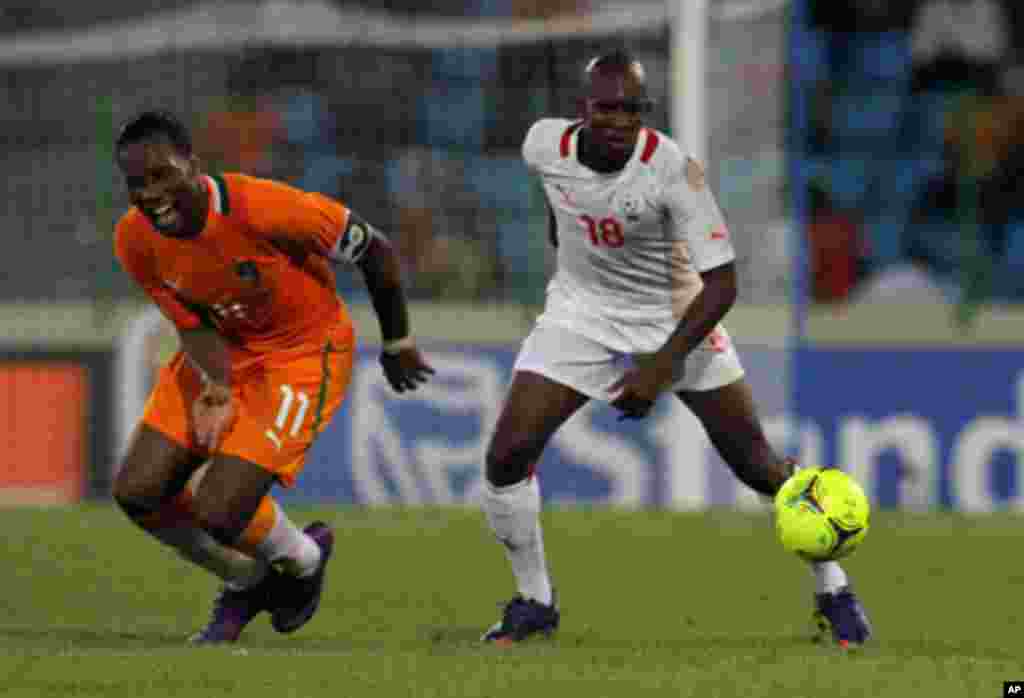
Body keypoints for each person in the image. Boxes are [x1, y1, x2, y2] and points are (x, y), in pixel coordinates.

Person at [479, 50, 872, 647]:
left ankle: (835, 591)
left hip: (678, 318)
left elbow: (724, 284)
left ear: (646, 113)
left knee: (757, 465)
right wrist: (572, 264)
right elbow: (561, 208)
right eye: (605, 107)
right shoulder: (543, 146)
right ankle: (535, 600)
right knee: (507, 454)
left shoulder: (674, 171)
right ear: (583, 109)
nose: (616, 120)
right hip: (581, 315)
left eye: (630, 110)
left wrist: (660, 366)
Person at [112, 110, 434, 644]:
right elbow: (190, 324)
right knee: (138, 492)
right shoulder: (135, 240)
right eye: (136, 183)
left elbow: (375, 250)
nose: (151, 194)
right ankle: (249, 581)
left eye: (162, 175)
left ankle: (305, 561)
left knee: (219, 508)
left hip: (301, 356)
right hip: (222, 353)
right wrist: (215, 387)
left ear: (192, 164)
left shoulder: (264, 208)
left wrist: (397, 341)